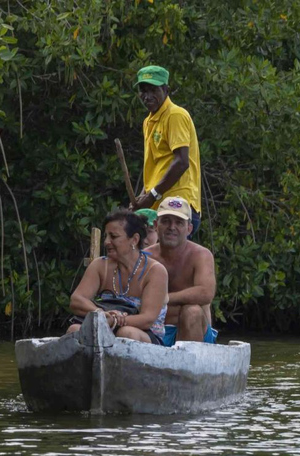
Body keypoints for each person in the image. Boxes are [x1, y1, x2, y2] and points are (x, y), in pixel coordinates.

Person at [67, 210, 168, 344]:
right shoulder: (100, 266)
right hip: (105, 326)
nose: (107, 242)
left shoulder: (155, 271)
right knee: (75, 330)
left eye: (113, 236)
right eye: (106, 236)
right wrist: (101, 314)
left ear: (134, 240)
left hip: (144, 334)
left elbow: (147, 319)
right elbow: (77, 300)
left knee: (126, 333)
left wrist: (116, 320)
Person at [131, 65, 203, 236]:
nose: (147, 96)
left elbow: (181, 162)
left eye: (153, 90)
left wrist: (151, 196)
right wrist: (140, 200)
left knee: (170, 262)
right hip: (158, 207)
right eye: (143, 91)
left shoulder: (175, 115)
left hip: (178, 207)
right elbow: (155, 168)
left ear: (166, 89)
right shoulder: (148, 121)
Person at [147, 196, 218, 346]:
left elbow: (206, 293)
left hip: (193, 333)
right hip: (153, 331)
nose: (172, 227)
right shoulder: (145, 256)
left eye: (179, 222)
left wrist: (163, 298)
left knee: (192, 312)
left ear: (189, 229)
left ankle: (188, 367)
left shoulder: (201, 255)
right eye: (166, 221)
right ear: (155, 225)